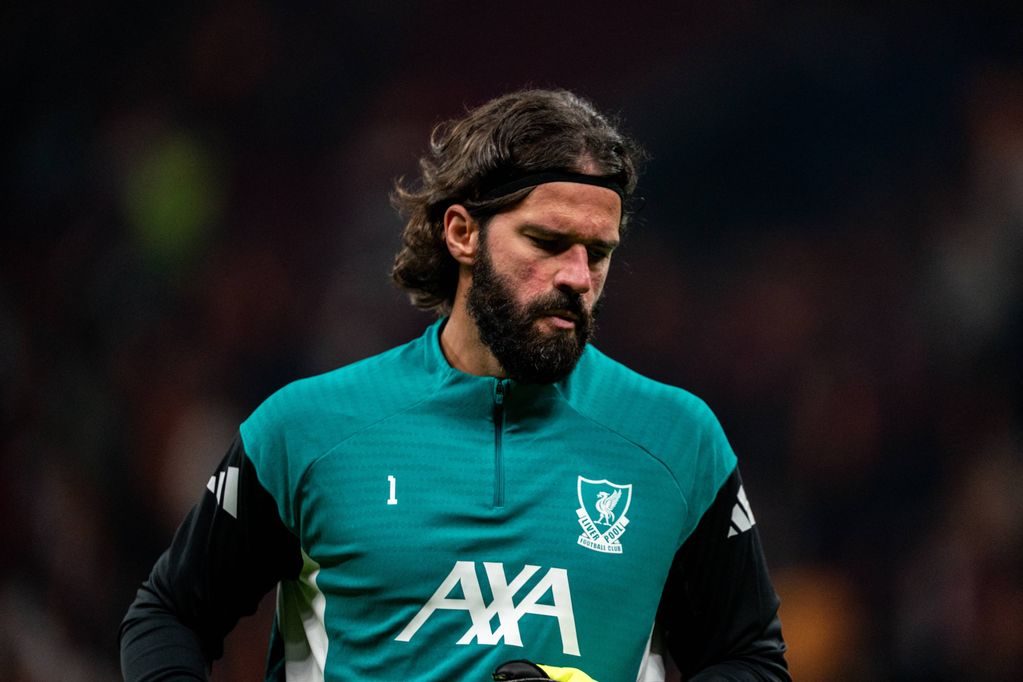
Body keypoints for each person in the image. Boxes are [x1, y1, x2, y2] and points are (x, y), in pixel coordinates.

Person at [120, 89, 789, 681]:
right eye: (547, 241)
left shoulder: (677, 440)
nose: (578, 277)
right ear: (462, 233)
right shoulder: (306, 430)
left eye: (599, 252)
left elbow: (749, 658)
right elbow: (169, 615)